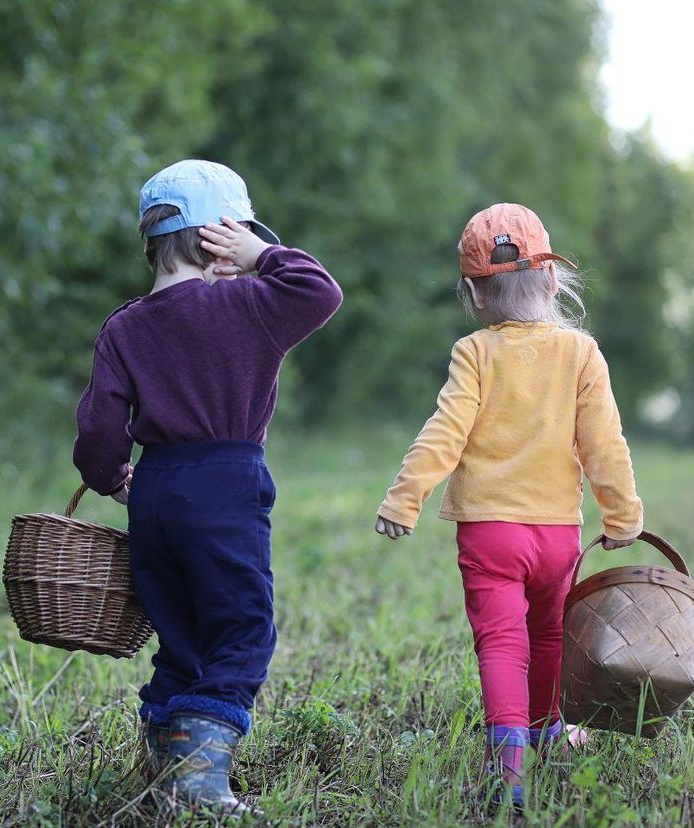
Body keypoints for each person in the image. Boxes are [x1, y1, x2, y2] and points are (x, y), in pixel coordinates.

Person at [73, 159, 342, 813]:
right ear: (220, 239)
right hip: (226, 483)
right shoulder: (251, 303)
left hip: (157, 491)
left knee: (182, 634)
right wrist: (264, 254)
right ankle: (197, 779)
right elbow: (321, 291)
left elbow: (99, 428)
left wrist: (112, 479)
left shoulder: (124, 326)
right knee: (243, 630)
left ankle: (167, 762)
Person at [373, 203, 643, 808]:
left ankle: (510, 768)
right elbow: (605, 443)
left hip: (489, 532)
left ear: (474, 293)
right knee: (549, 636)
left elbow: (444, 430)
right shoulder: (582, 355)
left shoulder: (475, 353)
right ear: (551, 277)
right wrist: (623, 513)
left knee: (500, 644)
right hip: (557, 536)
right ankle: (547, 728)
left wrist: (405, 497)